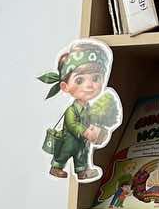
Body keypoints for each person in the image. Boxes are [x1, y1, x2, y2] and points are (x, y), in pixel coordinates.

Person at [41, 40, 121, 182]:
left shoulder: (90, 108)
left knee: (82, 156)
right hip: (70, 140)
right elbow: (71, 124)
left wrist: (98, 130)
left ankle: (82, 171)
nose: (89, 85)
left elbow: (93, 120)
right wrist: (85, 131)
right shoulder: (71, 109)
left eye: (96, 78)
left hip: (83, 142)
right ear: (65, 86)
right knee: (64, 154)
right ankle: (56, 167)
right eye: (79, 81)